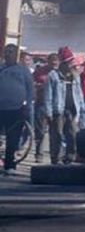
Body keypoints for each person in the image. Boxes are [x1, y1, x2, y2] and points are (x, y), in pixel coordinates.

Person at [0, 44, 34, 176]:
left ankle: (9, 164)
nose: (8, 54)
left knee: (13, 139)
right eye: (6, 52)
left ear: (16, 54)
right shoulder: (1, 68)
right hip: (1, 108)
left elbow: (30, 89)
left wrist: (27, 106)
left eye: (11, 52)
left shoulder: (23, 70)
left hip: (17, 109)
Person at [32, 55, 54, 163]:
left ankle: (54, 155)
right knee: (40, 131)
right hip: (41, 104)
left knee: (54, 132)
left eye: (55, 63)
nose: (53, 65)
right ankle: (39, 154)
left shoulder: (58, 73)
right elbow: (32, 83)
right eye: (52, 63)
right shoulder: (40, 71)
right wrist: (40, 86)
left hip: (54, 105)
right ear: (48, 62)